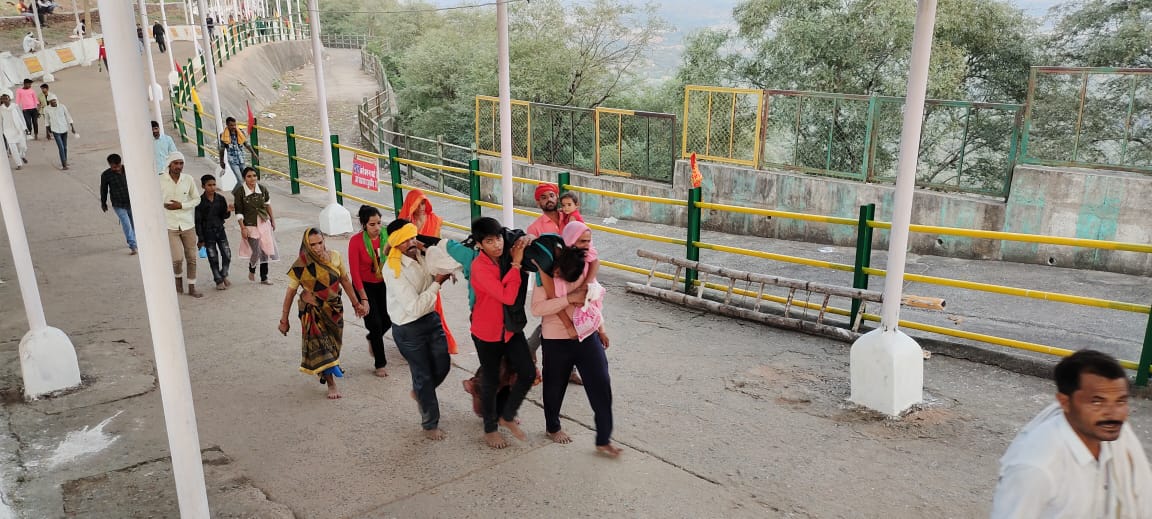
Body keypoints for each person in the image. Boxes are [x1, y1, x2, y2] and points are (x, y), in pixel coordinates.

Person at [991, 349, 1151, 517]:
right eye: (1097, 402)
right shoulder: (1036, 468)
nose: (1113, 413)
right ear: (1065, 402)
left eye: (1120, 401)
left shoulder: (1115, 437)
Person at [532, 227, 620, 457]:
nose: (586, 245)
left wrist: (601, 328)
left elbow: (593, 302)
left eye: (588, 241)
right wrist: (569, 300)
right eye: (581, 241)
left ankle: (603, 439)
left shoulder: (587, 263)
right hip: (556, 339)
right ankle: (553, 427)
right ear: (568, 242)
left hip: (587, 334)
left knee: (601, 383)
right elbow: (537, 308)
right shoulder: (547, 270)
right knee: (554, 386)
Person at [469, 217, 536, 449]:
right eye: (489, 241)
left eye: (498, 238)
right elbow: (507, 296)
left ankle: (506, 415)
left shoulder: (505, 252)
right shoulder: (479, 267)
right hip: (486, 332)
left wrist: (527, 239)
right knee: (491, 380)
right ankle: (490, 428)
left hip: (509, 329)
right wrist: (516, 265)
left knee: (527, 372)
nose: (497, 244)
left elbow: (521, 237)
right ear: (479, 244)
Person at [383, 219, 454, 440]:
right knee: (422, 373)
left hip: (430, 318)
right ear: (396, 244)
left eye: (412, 237)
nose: (411, 243)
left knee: (443, 364)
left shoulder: (423, 255)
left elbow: (448, 259)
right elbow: (413, 307)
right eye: (404, 241)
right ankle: (430, 424)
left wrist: (437, 263)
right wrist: (438, 282)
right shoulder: (393, 269)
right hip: (408, 327)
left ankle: (422, 393)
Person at [278, 228, 367, 400]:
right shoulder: (301, 265)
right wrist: (284, 319)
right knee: (323, 347)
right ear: (306, 245)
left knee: (333, 345)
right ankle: (331, 383)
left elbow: (345, 280)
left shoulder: (335, 257)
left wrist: (356, 303)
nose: (318, 248)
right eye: (313, 245)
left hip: (334, 310)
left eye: (320, 243)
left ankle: (328, 368)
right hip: (312, 312)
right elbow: (290, 293)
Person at [399, 189, 457, 354]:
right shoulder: (404, 223)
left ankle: (439, 342)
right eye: (418, 203)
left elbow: (438, 247)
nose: (422, 207)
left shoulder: (435, 220)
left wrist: (445, 268)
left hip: (430, 268)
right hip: (411, 270)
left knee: (434, 305)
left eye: (424, 202)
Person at [347, 205, 392, 377]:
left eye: (379, 223)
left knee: (389, 319)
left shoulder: (387, 236)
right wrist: (363, 299)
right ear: (364, 225)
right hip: (364, 285)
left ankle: (373, 338)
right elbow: (355, 272)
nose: (377, 228)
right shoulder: (356, 241)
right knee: (375, 322)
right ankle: (380, 363)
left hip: (384, 282)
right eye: (372, 224)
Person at [160, 152, 203, 298]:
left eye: (181, 163)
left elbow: (197, 199)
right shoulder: (160, 180)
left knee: (192, 257)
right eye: (176, 163)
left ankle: (192, 286)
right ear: (169, 164)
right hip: (170, 225)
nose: (179, 166)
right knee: (177, 258)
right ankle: (178, 282)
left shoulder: (188, 179)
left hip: (187, 224)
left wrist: (182, 205)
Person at [232, 167, 278, 284]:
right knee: (256, 251)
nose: (252, 178)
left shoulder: (262, 189)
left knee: (265, 251)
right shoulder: (240, 192)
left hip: (263, 222)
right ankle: (252, 269)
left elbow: (268, 205)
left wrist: (272, 220)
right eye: (249, 176)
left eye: (254, 175)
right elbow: (239, 212)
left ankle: (264, 277)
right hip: (250, 225)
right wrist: (243, 228)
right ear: (244, 178)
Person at [195, 174, 232, 290]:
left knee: (227, 254)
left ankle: (224, 274)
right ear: (203, 186)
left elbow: (224, 216)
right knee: (213, 257)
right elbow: (198, 222)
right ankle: (218, 280)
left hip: (220, 230)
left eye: (214, 185)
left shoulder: (220, 199)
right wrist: (200, 239)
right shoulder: (199, 202)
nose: (212, 187)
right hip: (208, 233)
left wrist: (228, 211)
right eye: (209, 185)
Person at [99, 154, 136, 255]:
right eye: (114, 167)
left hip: (132, 203)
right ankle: (133, 245)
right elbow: (103, 190)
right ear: (110, 165)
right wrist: (103, 203)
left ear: (121, 163)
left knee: (134, 224)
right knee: (126, 224)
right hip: (118, 204)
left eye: (118, 166)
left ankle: (137, 241)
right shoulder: (106, 175)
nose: (117, 169)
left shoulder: (129, 169)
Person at [219, 116, 257, 183]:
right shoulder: (223, 135)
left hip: (241, 159)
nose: (233, 127)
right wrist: (221, 161)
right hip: (232, 160)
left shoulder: (241, 133)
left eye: (234, 125)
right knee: (239, 179)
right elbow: (222, 149)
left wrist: (253, 153)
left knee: (246, 178)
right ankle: (239, 192)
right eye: (231, 125)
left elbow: (246, 144)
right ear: (227, 125)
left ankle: (243, 192)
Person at [42, 94, 75, 169]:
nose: (54, 102)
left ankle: (65, 160)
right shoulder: (46, 109)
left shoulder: (62, 106)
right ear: (49, 102)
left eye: (55, 100)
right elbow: (46, 120)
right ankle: (64, 165)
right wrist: (47, 132)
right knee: (61, 147)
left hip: (64, 129)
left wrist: (72, 127)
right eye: (52, 101)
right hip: (55, 130)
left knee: (65, 147)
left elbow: (68, 116)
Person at [0, 90, 28, 170]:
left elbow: (21, 117)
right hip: (8, 131)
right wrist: (2, 132)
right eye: (3, 99)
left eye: (6, 98)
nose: (4, 100)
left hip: (18, 129)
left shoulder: (15, 106)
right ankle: (19, 164)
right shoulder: (1, 109)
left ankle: (22, 156)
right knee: (13, 149)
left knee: (23, 147)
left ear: (9, 99)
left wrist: (25, 128)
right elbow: (1, 121)